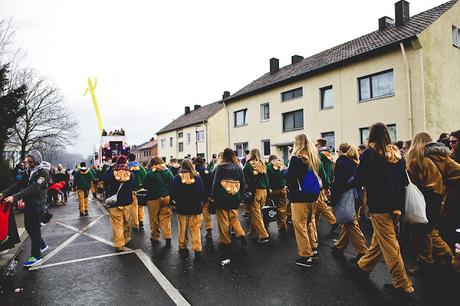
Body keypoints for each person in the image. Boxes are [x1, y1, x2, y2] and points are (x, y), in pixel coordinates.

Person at [352, 123, 414, 302]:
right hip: (396, 205)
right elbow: (403, 180)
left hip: (379, 205)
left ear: (371, 135)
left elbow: (359, 179)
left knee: (390, 244)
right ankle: (364, 266)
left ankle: (403, 285)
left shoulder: (370, 154)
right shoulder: (396, 154)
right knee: (381, 239)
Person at [406, 132, 454, 275]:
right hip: (437, 198)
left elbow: (411, 182)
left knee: (421, 231)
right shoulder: (441, 158)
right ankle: (434, 258)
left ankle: (439, 258)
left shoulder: (414, 159)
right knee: (429, 229)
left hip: (421, 197)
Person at [0, 150, 50, 267]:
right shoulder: (29, 170)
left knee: (35, 229)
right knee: (28, 227)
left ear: (37, 160)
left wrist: (15, 197)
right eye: (28, 161)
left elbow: (34, 188)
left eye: (31, 161)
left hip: (38, 204)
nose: (29, 163)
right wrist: (5, 193)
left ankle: (36, 256)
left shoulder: (43, 172)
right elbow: (19, 183)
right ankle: (42, 245)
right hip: (29, 204)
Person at [287, 134, 329, 268]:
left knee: (299, 224)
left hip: (299, 197)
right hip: (313, 195)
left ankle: (306, 255)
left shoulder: (296, 158)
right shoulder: (314, 158)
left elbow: (291, 178)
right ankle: (313, 248)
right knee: (310, 222)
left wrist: (285, 174)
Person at [330, 144, 368, 261]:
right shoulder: (355, 163)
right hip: (357, 196)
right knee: (347, 221)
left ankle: (363, 251)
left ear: (341, 151)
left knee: (350, 223)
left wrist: (333, 200)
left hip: (347, 197)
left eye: (337, 150)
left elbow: (338, 184)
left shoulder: (341, 163)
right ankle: (339, 246)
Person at [424, 134, 460, 250]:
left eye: (454, 142)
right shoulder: (447, 158)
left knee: (432, 230)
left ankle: (446, 258)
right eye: (450, 142)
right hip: (443, 197)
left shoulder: (423, 159)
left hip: (438, 197)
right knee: (436, 229)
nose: (451, 145)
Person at [211, 148, 246, 250]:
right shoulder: (238, 167)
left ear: (223, 156)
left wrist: (212, 196)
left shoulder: (220, 168)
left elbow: (215, 184)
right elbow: (243, 183)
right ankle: (240, 234)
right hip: (235, 196)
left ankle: (226, 241)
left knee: (223, 219)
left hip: (222, 197)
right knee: (234, 218)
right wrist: (241, 196)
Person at [171, 159, 204, 257]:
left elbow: (173, 192)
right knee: (195, 229)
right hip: (196, 207)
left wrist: (175, 201)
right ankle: (197, 247)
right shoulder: (197, 177)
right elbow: (202, 191)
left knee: (182, 228)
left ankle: (182, 245)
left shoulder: (177, 178)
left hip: (182, 206)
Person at [105, 155, 135, 252]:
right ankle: (126, 238)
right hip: (127, 202)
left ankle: (119, 244)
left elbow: (104, 179)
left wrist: (110, 168)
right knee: (126, 222)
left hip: (115, 203)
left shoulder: (111, 174)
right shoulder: (131, 175)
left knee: (117, 224)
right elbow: (134, 186)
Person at [143, 156, 174, 246]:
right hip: (166, 197)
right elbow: (172, 182)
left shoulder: (150, 173)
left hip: (153, 198)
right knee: (165, 217)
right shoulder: (168, 171)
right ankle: (168, 236)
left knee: (154, 218)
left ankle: (155, 236)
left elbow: (145, 185)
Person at [243, 148, 270, 244]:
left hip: (255, 191)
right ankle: (252, 231)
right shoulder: (262, 164)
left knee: (256, 213)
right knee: (257, 212)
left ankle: (263, 235)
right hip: (264, 191)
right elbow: (266, 179)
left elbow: (244, 177)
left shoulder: (249, 165)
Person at [267, 155, 288, 234]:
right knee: (282, 209)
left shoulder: (269, 167)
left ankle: (266, 225)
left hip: (273, 191)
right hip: (282, 190)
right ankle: (282, 226)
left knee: (269, 208)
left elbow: (267, 179)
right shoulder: (282, 165)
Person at [195, 156, 214, 240]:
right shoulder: (208, 171)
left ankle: (198, 229)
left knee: (198, 213)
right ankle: (209, 229)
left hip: (199, 195)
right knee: (206, 212)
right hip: (208, 194)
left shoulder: (196, 171)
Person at [127, 153, 147, 232]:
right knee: (141, 207)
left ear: (128, 159)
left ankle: (135, 225)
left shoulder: (127, 167)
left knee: (134, 208)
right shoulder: (141, 167)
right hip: (141, 190)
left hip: (131, 190)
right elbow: (145, 177)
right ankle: (141, 222)